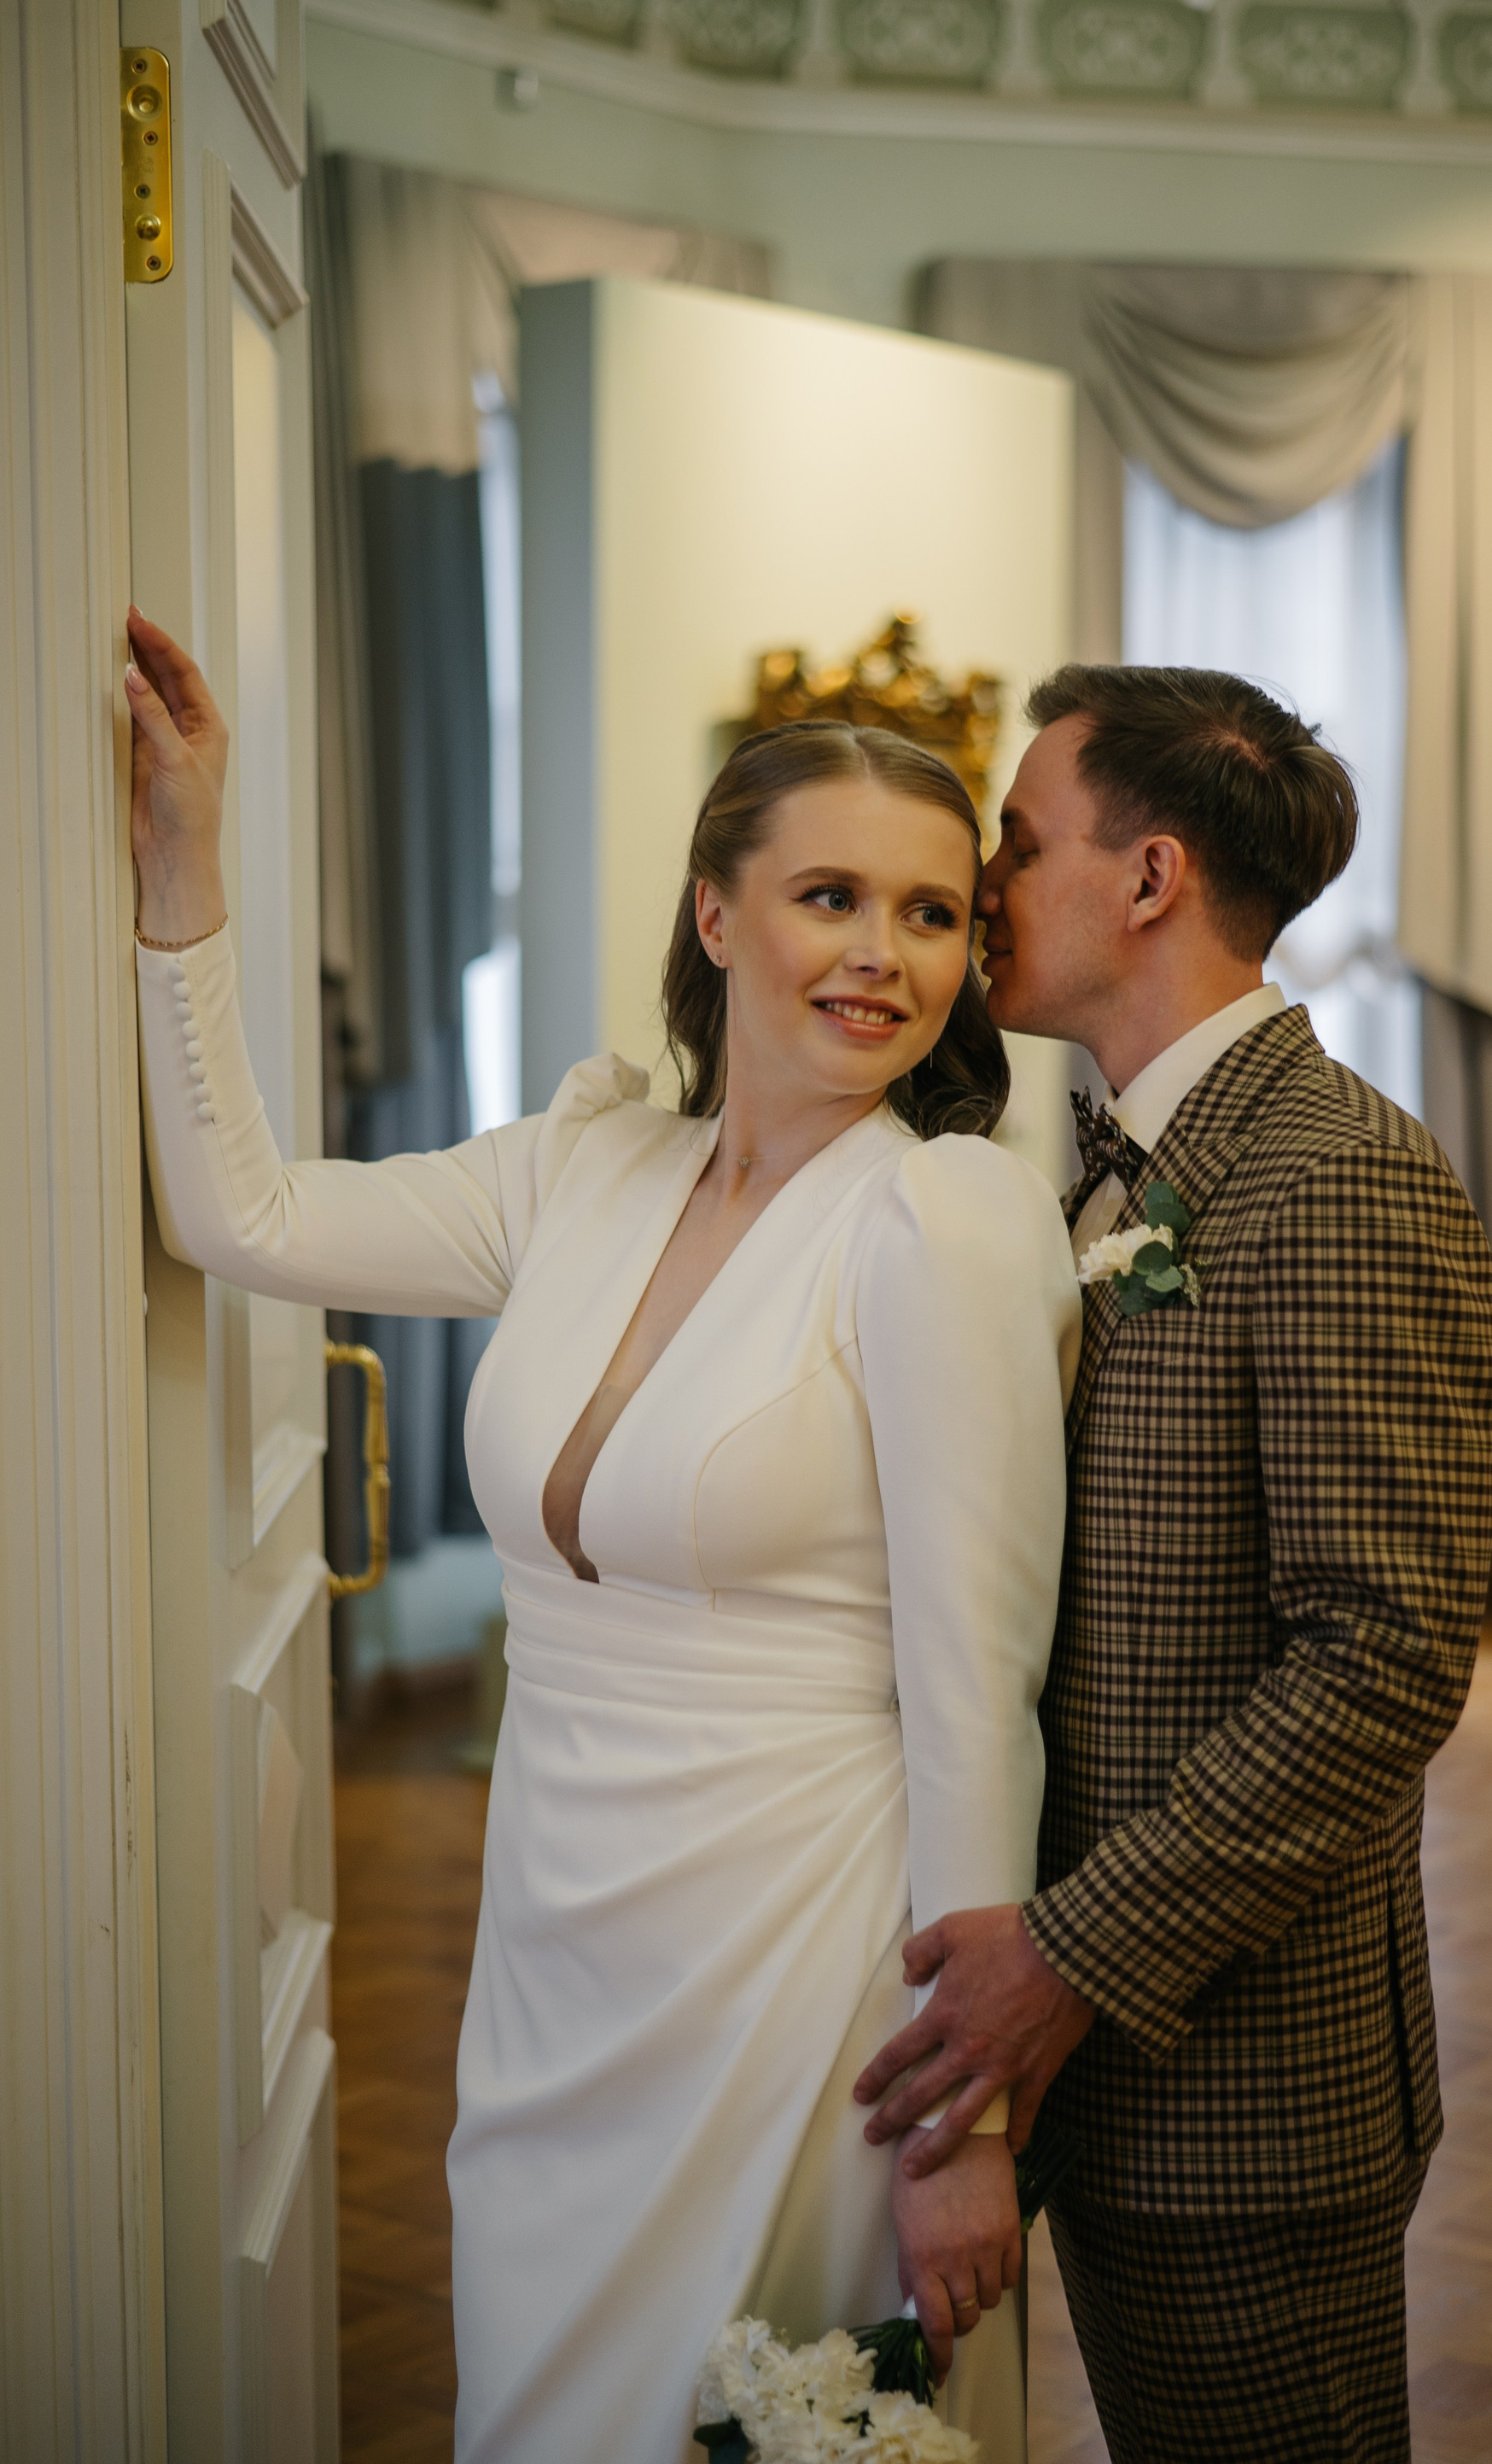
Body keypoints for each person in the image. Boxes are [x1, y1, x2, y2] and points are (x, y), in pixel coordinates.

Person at [123, 609, 1081, 2464]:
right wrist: (184, 873)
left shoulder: (942, 1223)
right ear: (716, 914)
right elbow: (240, 1215)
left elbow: (983, 1698)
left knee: (756, 2408)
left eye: (932, 914)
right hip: (556, 1940)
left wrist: (965, 2127)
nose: (882, 955)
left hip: (799, 1953)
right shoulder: (585, 1166)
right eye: (829, 897)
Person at [855, 664, 1492, 2462]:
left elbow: (1382, 1661)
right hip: (1098, 2075)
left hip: (1245, 2093)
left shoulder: (1340, 1174)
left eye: (1019, 840)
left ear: (1147, 878)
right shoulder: (1089, 1162)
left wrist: (1065, 1956)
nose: (987, 881)